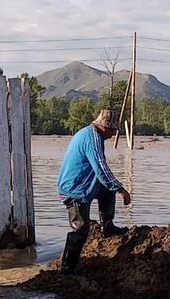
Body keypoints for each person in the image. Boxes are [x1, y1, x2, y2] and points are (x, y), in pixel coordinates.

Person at [56, 108, 132, 272]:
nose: (113, 135)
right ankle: (67, 267)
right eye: (113, 130)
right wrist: (121, 189)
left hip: (85, 184)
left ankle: (108, 227)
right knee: (81, 229)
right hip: (74, 189)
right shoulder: (93, 138)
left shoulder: (90, 133)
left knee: (107, 189)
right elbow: (101, 167)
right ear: (105, 127)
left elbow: (101, 172)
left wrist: (113, 186)